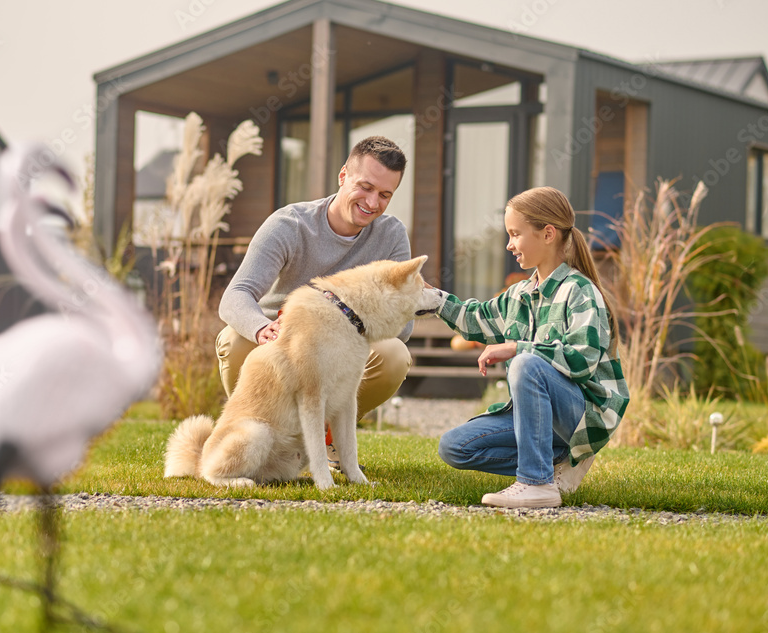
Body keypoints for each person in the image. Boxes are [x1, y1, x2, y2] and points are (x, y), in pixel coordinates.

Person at [216, 135, 413, 465]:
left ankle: (330, 439)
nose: (372, 202)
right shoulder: (290, 225)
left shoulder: (391, 236)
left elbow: (403, 322)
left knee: (394, 353)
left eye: (384, 195)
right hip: (278, 344)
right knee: (235, 339)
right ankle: (253, 429)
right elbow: (235, 296)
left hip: (342, 349)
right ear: (342, 177)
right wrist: (263, 329)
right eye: (364, 187)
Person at [428, 186, 629, 509]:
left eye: (515, 234)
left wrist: (518, 347)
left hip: (579, 414)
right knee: (454, 446)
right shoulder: (520, 294)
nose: (509, 245)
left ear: (548, 234)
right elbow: (477, 319)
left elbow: (583, 359)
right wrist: (432, 299)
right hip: (540, 419)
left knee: (525, 363)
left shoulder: (580, 291)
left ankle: (535, 484)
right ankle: (556, 465)